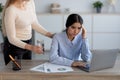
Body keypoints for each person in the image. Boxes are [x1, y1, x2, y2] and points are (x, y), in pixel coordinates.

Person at [2, 0, 53, 70]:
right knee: (15, 74)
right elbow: (12, 38)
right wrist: (32, 48)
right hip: (14, 47)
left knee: (26, 70)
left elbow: (34, 23)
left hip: (28, 43)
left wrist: (51, 35)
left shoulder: (30, 2)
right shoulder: (11, 10)